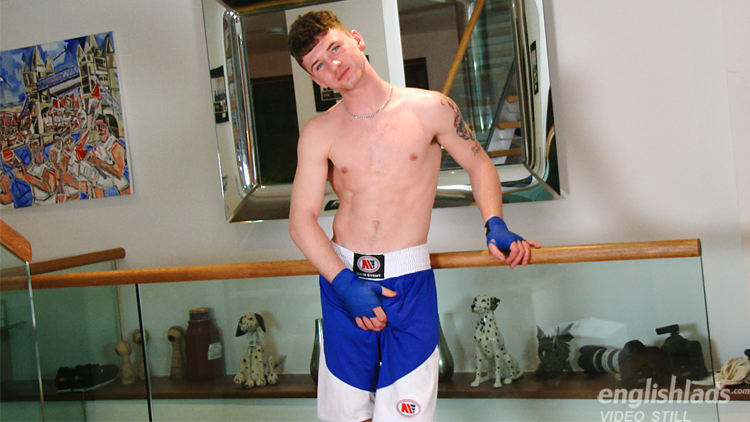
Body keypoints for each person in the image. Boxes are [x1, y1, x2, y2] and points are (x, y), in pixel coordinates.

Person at [287, 11, 540, 422]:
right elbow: (301, 220)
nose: (333, 64)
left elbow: (478, 163)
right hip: (342, 280)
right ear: (318, 81)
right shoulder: (319, 132)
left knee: (408, 416)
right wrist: (345, 283)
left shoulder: (431, 108)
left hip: (409, 280)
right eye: (318, 65)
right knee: (347, 417)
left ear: (356, 40)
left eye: (335, 47)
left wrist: (494, 223)